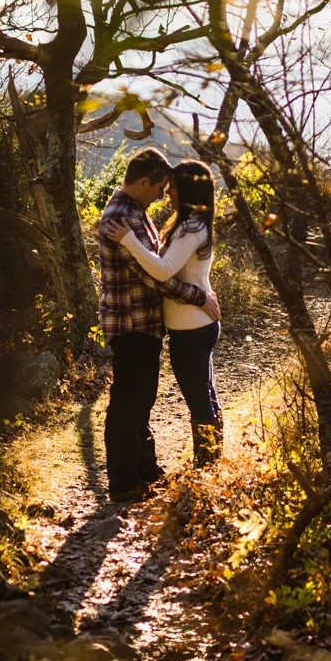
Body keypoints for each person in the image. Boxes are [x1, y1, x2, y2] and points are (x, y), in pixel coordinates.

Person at [96, 149, 217, 503]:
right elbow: (157, 278)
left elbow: (163, 265)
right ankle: (123, 481)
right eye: (161, 187)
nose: (165, 195)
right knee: (127, 402)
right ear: (144, 181)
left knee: (141, 399)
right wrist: (199, 296)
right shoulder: (122, 218)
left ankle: (146, 471)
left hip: (144, 325)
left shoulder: (136, 212)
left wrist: (202, 291)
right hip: (131, 323)